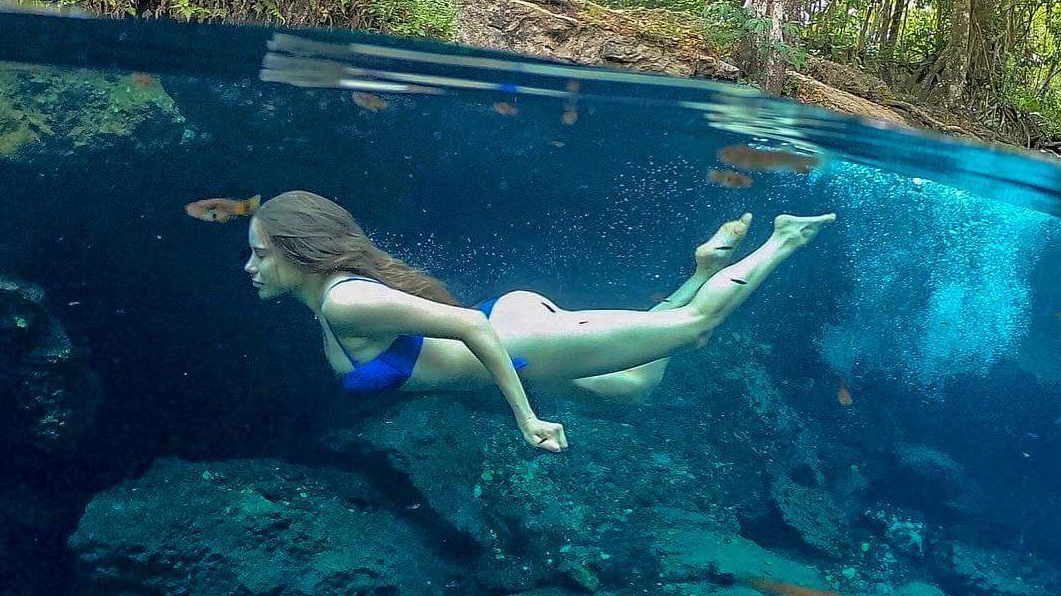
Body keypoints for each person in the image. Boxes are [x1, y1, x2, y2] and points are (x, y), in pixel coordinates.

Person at [246, 190, 835, 453]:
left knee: (693, 329)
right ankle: (703, 268)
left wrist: (526, 419)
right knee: (633, 387)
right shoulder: (330, 303)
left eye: (261, 254)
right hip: (515, 334)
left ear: (300, 250)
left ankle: (785, 237)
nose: (250, 267)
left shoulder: (346, 303)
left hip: (519, 339)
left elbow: (470, 327)